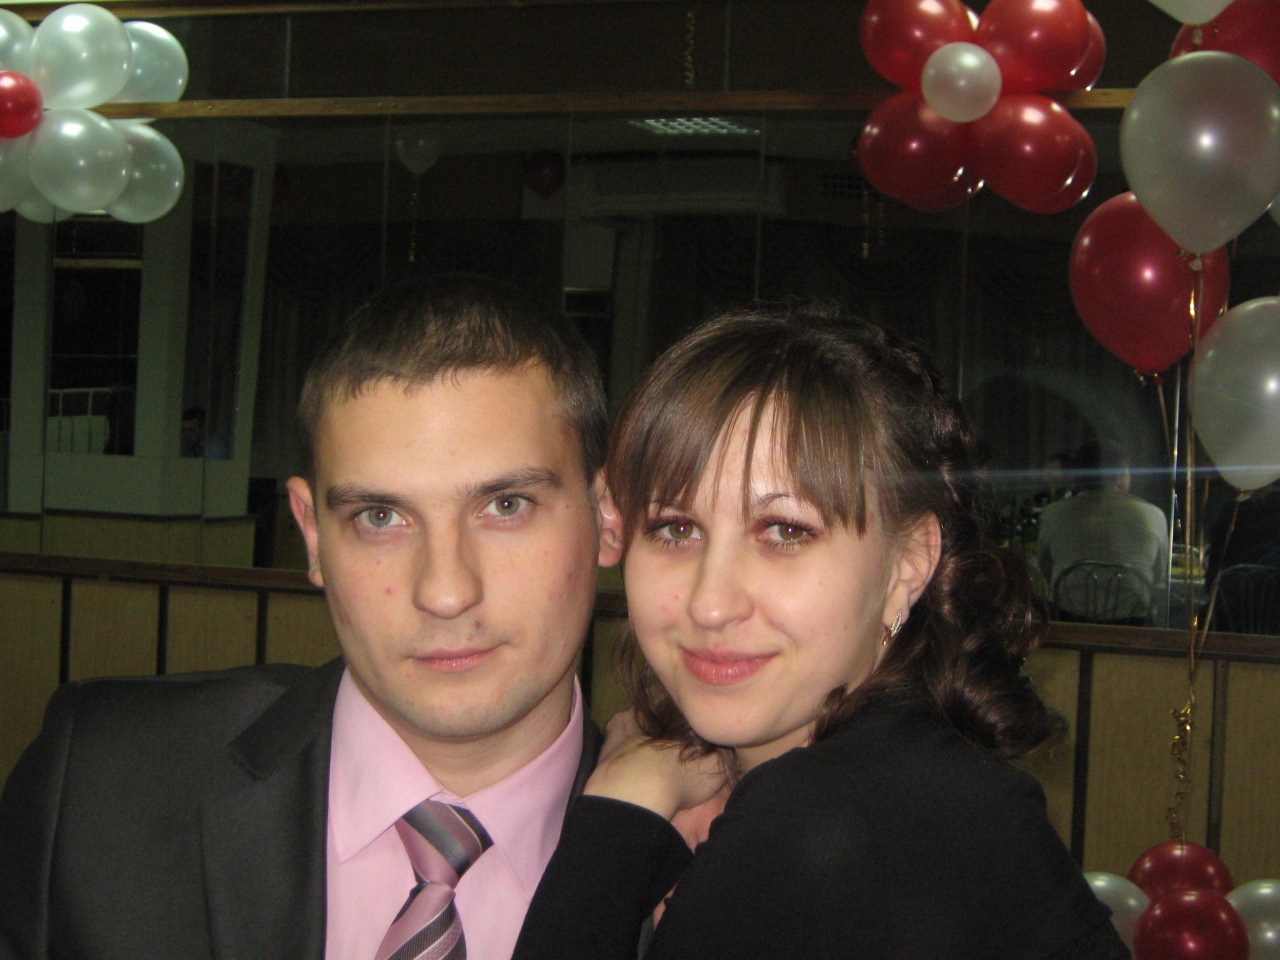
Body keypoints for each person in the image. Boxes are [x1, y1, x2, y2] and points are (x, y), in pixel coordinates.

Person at [0, 273, 623, 960]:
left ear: (607, 515)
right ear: (312, 534)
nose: (446, 593)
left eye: (506, 506)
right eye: (379, 517)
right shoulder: (100, 781)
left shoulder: (694, 874)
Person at [512, 304, 1129, 959]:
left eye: (785, 532)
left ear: (907, 563)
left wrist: (620, 809)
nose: (711, 604)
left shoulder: (820, 821)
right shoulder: (923, 783)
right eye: (675, 528)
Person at [1037, 439, 1168, 624]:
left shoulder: (1052, 513)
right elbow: (1160, 576)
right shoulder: (1154, 515)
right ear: (1120, 475)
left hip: (1070, 625)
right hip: (1133, 628)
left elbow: (1044, 568)